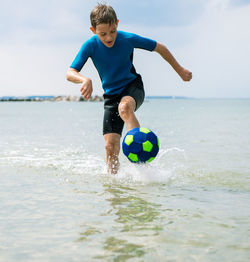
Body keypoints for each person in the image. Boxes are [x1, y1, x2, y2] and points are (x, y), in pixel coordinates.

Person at [66, 4, 192, 174]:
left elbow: (160, 48)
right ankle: (114, 193)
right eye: (102, 34)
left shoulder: (127, 39)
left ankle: (142, 170)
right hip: (110, 96)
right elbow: (70, 72)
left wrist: (180, 70)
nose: (109, 37)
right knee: (110, 147)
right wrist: (84, 79)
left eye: (112, 31)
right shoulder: (90, 46)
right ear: (93, 30)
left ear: (117, 23)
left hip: (132, 87)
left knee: (124, 108)